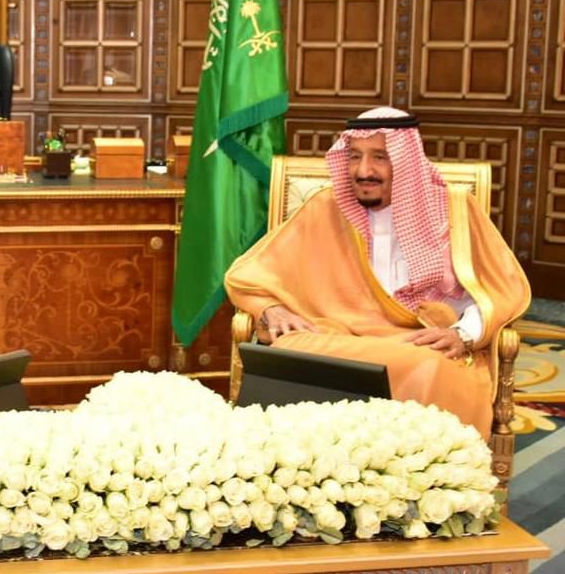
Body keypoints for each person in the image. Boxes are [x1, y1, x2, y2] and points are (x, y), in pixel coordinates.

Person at [225, 106, 530, 438]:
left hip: (418, 343)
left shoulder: (454, 210)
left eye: (380, 157)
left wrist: (463, 334)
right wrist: (272, 308)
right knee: (287, 352)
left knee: (429, 368)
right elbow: (247, 274)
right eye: (354, 157)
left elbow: (503, 289)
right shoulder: (326, 208)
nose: (362, 170)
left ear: (405, 160)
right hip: (338, 336)